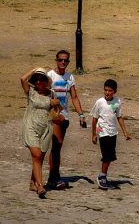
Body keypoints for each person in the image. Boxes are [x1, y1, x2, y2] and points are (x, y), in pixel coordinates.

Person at [46, 50, 86, 189]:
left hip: (65, 116)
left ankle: (55, 175)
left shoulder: (69, 77)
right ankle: (53, 177)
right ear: (56, 60)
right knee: (57, 146)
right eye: (61, 60)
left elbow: (74, 97)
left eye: (66, 60)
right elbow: (44, 94)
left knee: (58, 147)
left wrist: (81, 114)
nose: (63, 62)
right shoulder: (50, 76)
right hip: (54, 116)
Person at [20, 67, 61, 198]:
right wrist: (34, 70)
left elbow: (57, 111)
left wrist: (56, 104)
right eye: (36, 79)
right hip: (31, 126)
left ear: (46, 81)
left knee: (40, 157)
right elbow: (22, 79)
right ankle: (40, 186)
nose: (38, 82)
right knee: (36, 155)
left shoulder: (51, 93)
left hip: (46, 127)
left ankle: (33, 182)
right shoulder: (31, 92)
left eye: (41, 79)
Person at [90, 79, 131, 190]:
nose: (107, 93)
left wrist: (125, 132)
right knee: (106, 155)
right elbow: (94, 119)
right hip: (102, 132)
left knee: (111, 156)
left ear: (115, 91)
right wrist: (93, 134)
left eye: (110, 91)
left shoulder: (117, 102)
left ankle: (103, 175)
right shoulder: (100, 102)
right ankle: (102, 176)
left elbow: (119, 117)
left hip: (113, 132)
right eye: (106, 90)